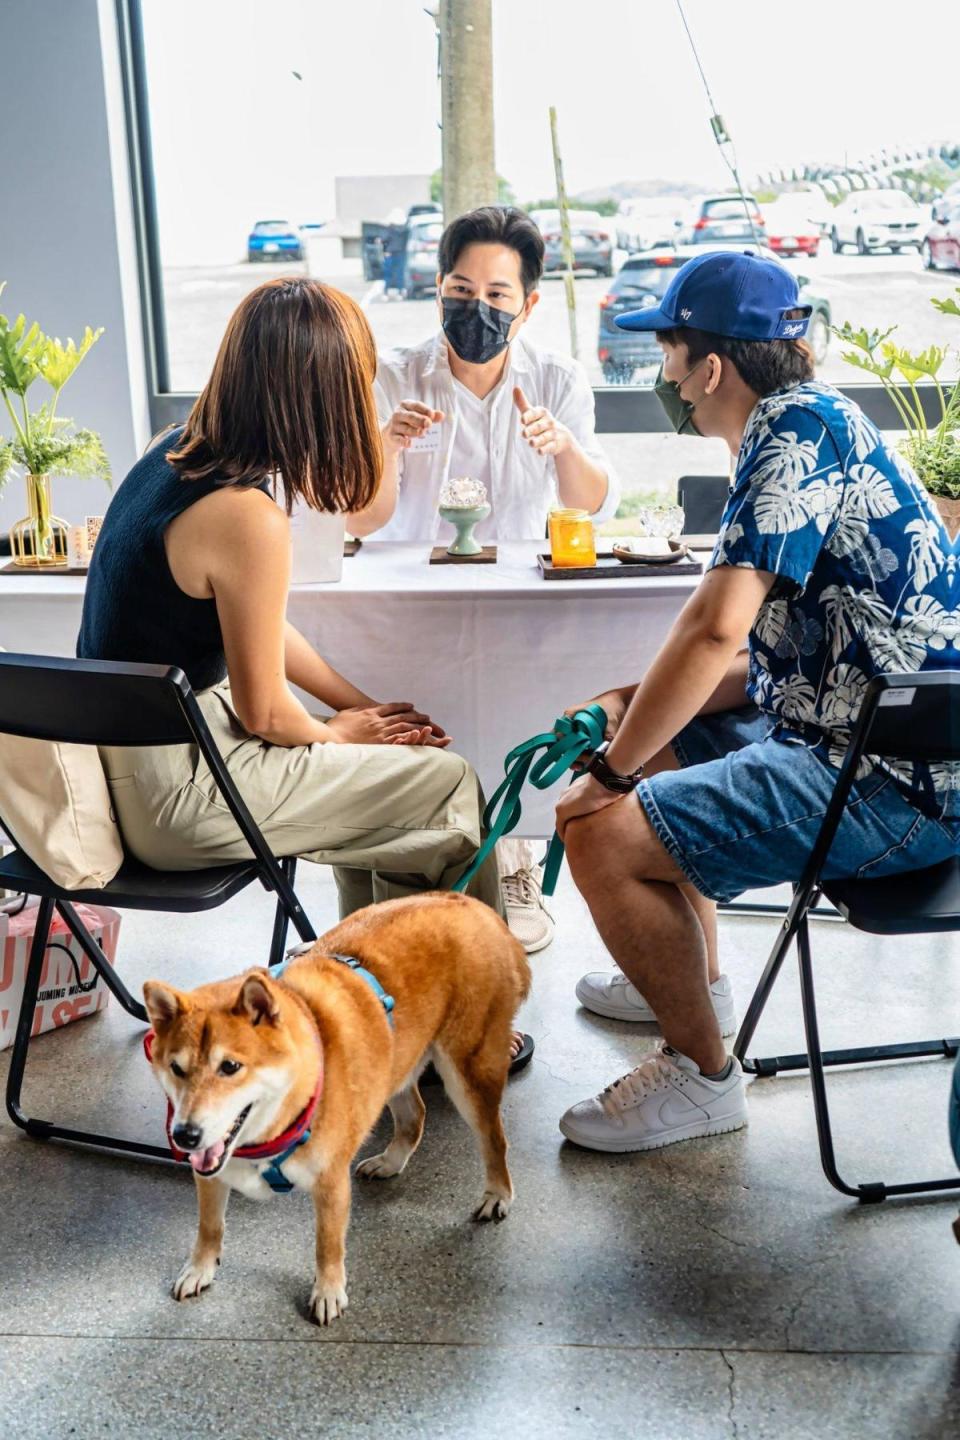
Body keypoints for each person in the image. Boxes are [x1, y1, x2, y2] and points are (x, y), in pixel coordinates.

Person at [552, 249, 959, 1154]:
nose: (663, 379)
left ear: (711, 365)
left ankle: (702, 1077)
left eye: (667, 354)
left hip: (900, 779)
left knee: (595, 831)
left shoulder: (791, 431)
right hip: (866, 739)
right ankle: (696, 980)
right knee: (651, 735)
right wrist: (627, 708)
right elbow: (789, 657)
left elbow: (712, 629)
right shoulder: (806, 421)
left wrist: (605, 777)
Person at [76, 276, 515, 989]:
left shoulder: (173, 453)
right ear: (322, 397)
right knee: (447, 784)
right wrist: (343, 731)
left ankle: (378, 1007)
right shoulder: (248, 516)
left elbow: (263, 630)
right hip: (179, 798)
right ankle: (468, 1019)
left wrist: (356, 704)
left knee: (388, 798)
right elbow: (267, 714)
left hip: (145, 763)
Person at [351, 205, 622, 952]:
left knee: (520, 727)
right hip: (410, 600)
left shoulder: (557, 378)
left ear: (527, 305)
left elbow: (589, 500)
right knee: (426, 734)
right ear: (438, 288)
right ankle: (426, 874)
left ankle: (515, 857)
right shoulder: (392, 374)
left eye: (498, 295)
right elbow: (360, 519)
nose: (478, 307)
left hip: (517, 600)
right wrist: (388, 444)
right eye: (461, 288)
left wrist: (561, 446)